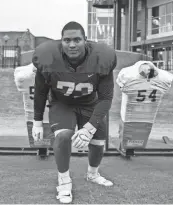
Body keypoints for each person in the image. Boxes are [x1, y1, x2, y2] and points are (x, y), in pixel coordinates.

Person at [32, 21, 117, 203]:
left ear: (86, 40)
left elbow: (106, 97)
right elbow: (40, 92)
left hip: (90, 103)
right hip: (62, 103)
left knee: (98, 141)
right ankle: (63, 181)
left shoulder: (102, 57)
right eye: (67, 40)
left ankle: (92, 174)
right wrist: (37, 121)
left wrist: (90, 127)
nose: (72, 45)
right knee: (63, 137)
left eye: (77, 40)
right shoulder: (48, 57)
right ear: (60, 41)